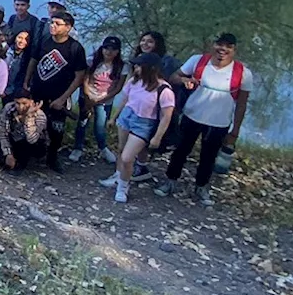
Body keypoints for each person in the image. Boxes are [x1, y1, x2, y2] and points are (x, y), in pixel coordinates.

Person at [158, 34, 253, 207]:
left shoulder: (243, 73)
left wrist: (235, 131)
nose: (222, 50)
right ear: (213, 45)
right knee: (181, 151)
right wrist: (185, 79)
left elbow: (241, 104)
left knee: (208, 157)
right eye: (220, 45)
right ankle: (170, 181)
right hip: (192, 116)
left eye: (228, 47)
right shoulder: (198, 61)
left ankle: (201, 186)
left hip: (219, 123)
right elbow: (173, 77)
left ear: (233, 50)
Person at [24, 11, 87, 173]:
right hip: (38, 93)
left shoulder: (75, 48)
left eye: (57, 24)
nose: (53, 26)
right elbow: (34, 60)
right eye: (52, 22)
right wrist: (27, 81)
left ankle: (52, 158)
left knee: (56, 130)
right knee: (33, 124)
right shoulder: (44, 41)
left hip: (59, 96)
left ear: (68, 27)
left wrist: (63, 98)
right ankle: (31, 154)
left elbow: (80, 75)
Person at [107, 53, 175, 203]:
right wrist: (114, 117)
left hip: (144, 123)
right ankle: (119, 177)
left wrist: (157, 137)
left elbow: (166, 116)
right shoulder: (134, 82)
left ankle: (123, 187)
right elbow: (125, 100)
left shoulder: (164, 90)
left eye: (139, 65)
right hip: (127, 116)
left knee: (127, 157)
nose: (136, 68)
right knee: (121, 149)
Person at [70, 37, 126, 163]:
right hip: (87, 96)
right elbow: (84, 79)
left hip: (105, 100)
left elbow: (118, 87)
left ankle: (103, 148)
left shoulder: (122, 66)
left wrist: (102, 98)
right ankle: (77, 148)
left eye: (113, 49)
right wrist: (88, 94)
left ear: (118, 51)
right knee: (83, 122)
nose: (109, 52)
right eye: (106, 48)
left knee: (100, 125)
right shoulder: (92, 61)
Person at [0, 90, 49, 175]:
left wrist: (29, 117)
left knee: (27, 147)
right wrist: (8, 153)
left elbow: (32, 139)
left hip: (32, 143)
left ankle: (21, 163)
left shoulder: (40, 116)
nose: (20, 107)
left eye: (24, 103)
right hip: (14, 138)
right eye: (17, 103)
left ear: (31, 102)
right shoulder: (9, 108)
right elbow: (3, 131)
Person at [5, 30, 32, 98]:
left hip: (12, 92)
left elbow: (21, 79)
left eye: (26, 39)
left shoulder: (27, 58)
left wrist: (8, 91)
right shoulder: (4, 49)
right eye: (20, 37)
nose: (22, 41)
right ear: (15, 38)